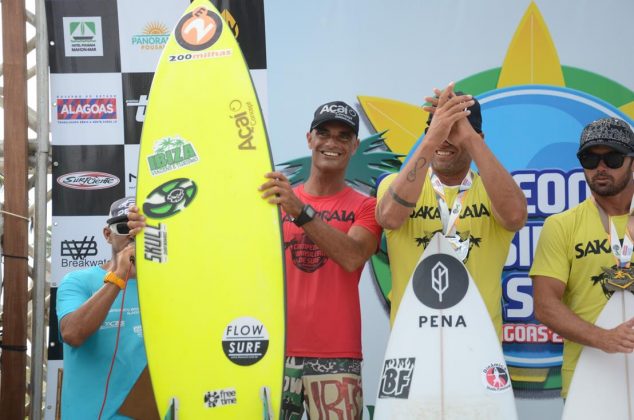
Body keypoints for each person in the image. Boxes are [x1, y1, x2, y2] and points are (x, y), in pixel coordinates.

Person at [258, 101, 382, 419]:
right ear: (309, 138)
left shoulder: (366, 206)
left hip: (337, 354)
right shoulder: (275, 200)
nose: (331, 143)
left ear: (354, 145)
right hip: (274, 351)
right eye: (323, 133)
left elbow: (352, 256)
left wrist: (299, 210)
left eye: (343, 136)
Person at [375, 82, 527, 337]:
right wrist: (433, 137)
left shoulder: (495, 190)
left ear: (478, 137)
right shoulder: (395, 184)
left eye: (455, 131)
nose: (445, 140)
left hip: (479, 344)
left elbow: (515, 217)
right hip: (412, 341)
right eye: (437, 130)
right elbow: (389, 217)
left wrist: (468, 136)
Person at [530, 117, 634, 398]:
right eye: (590, 159)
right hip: (587, 382)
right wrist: (605, 339)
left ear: (632, 161)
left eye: (612, 158)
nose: (600, 168)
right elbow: (545, 305)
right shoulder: (561, 225)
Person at [57, 197, 145, 419]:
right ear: (108, 234)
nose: (133, 235)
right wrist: (117, 276)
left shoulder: (169, 287)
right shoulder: (77, 281)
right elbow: (72, 333)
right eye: (124, 227)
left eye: (142, 228)